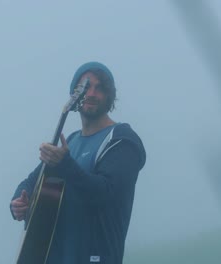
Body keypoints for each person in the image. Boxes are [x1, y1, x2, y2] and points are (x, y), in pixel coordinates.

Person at [10, 61, 146, 264]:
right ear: (74, 96)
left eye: (99, 88)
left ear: (110, 96)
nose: (91, 93)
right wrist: (18, 202)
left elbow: (106, 195)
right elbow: (32, 181)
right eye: (84, 87)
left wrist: (65, 164)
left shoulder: (121, 140)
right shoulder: (71, 142)